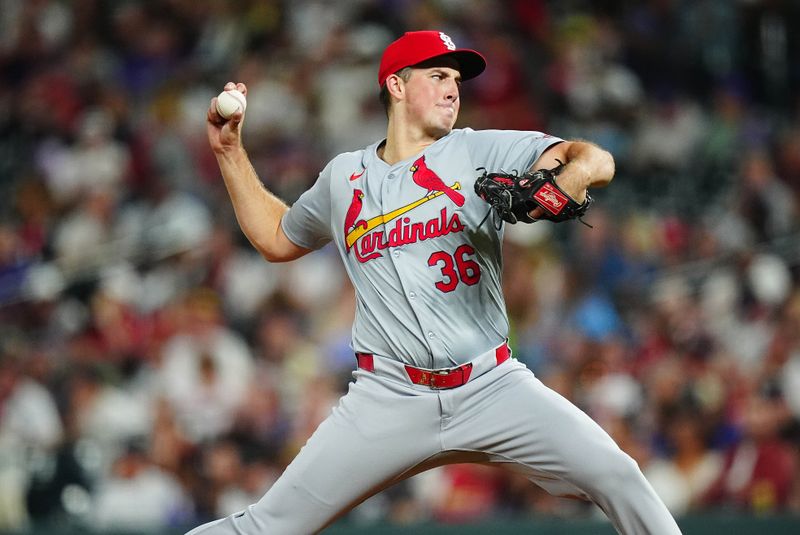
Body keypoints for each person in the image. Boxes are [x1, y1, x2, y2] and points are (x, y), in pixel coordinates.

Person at [188, 30, 681, 534]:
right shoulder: (343, 178)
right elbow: (276, 237)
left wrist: (564, 183)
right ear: (397, 86)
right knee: (267, 525)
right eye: (438, 76)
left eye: (457, 81)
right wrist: (229, 153)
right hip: (388, 397)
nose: (453, 90)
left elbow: (596, 160)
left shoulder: (478, 150)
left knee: (617, 475)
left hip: (492, 385)